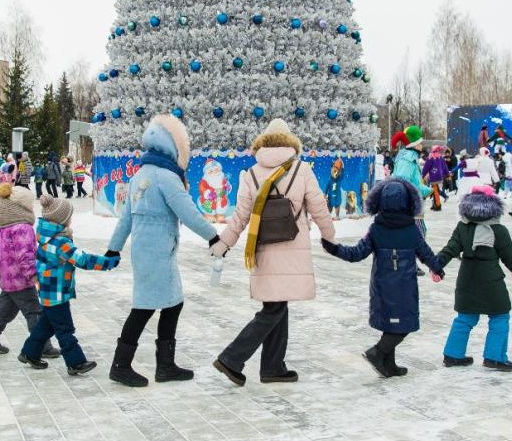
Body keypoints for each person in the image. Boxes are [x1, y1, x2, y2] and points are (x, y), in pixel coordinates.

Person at [208, 120, 335, 386]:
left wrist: (224, 242)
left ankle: (273, 366)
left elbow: (240, 217)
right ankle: (232, 358)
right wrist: (329, 235)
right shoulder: (301, 170)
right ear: (290, 142)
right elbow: (318, 206)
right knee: (274, 309)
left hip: (263, 249)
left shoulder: (251, 173)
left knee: (277, 304)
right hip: (292, 249)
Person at [106, 114, 221, 388]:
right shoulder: (166, 177)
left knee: (170, 303)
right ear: (175, 146)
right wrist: (213, 236)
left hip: (147, 250)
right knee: (144, 308)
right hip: (158, 251)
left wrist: (114, 248)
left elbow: (126, 219)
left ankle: (164, 365)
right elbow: (188, 211)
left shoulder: (141, 174)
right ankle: (121, 365)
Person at [321, 178, 444, 377]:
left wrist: (335, 249)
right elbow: (426, 253)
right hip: (405, 286)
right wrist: (437, 267)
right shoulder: (411, 229)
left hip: (382, 285)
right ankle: (377, 352)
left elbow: (356, 253)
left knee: (391, 322)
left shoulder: (376, 229)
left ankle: (389, 364)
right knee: (403, 324)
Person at [17, 195, 119, 373]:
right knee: (65, 329)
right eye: (69, 216)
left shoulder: (44, 236)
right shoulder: (60, 243)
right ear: (61, 219)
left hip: (49, 291)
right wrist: (108, 262)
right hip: (56, 292)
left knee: (46, 325)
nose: (71, 219)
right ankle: (75, 362)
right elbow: (83, 260)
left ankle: (29, 353)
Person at [437, 185, 512, 371]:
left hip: (467, 280)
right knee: (500, 316)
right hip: (491, 282)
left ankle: (453, 355)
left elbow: (450, 249)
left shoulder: (462, 227)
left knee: (465, 318)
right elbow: (510, 258)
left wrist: (436, 266)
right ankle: (494, 357)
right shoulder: (499, 231)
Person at [0, 183, 59, 358]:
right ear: (22, 209)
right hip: (23, 281)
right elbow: (25, 256)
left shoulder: (4, 230)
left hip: (7, 281)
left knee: (4, 311)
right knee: (34, 312)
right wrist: (34, 276)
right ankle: (42, 345)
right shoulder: (24, 229)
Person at [422, 145, 450, 211]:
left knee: (435, 191)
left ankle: (437, 205)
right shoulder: (440, 157)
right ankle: (434, 204)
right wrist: (447, 174)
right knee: (435, 190)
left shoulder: (431, 157)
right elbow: (445, 166)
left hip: (434, 176)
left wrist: (423, 174)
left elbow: (426, 167)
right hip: (440, 176)